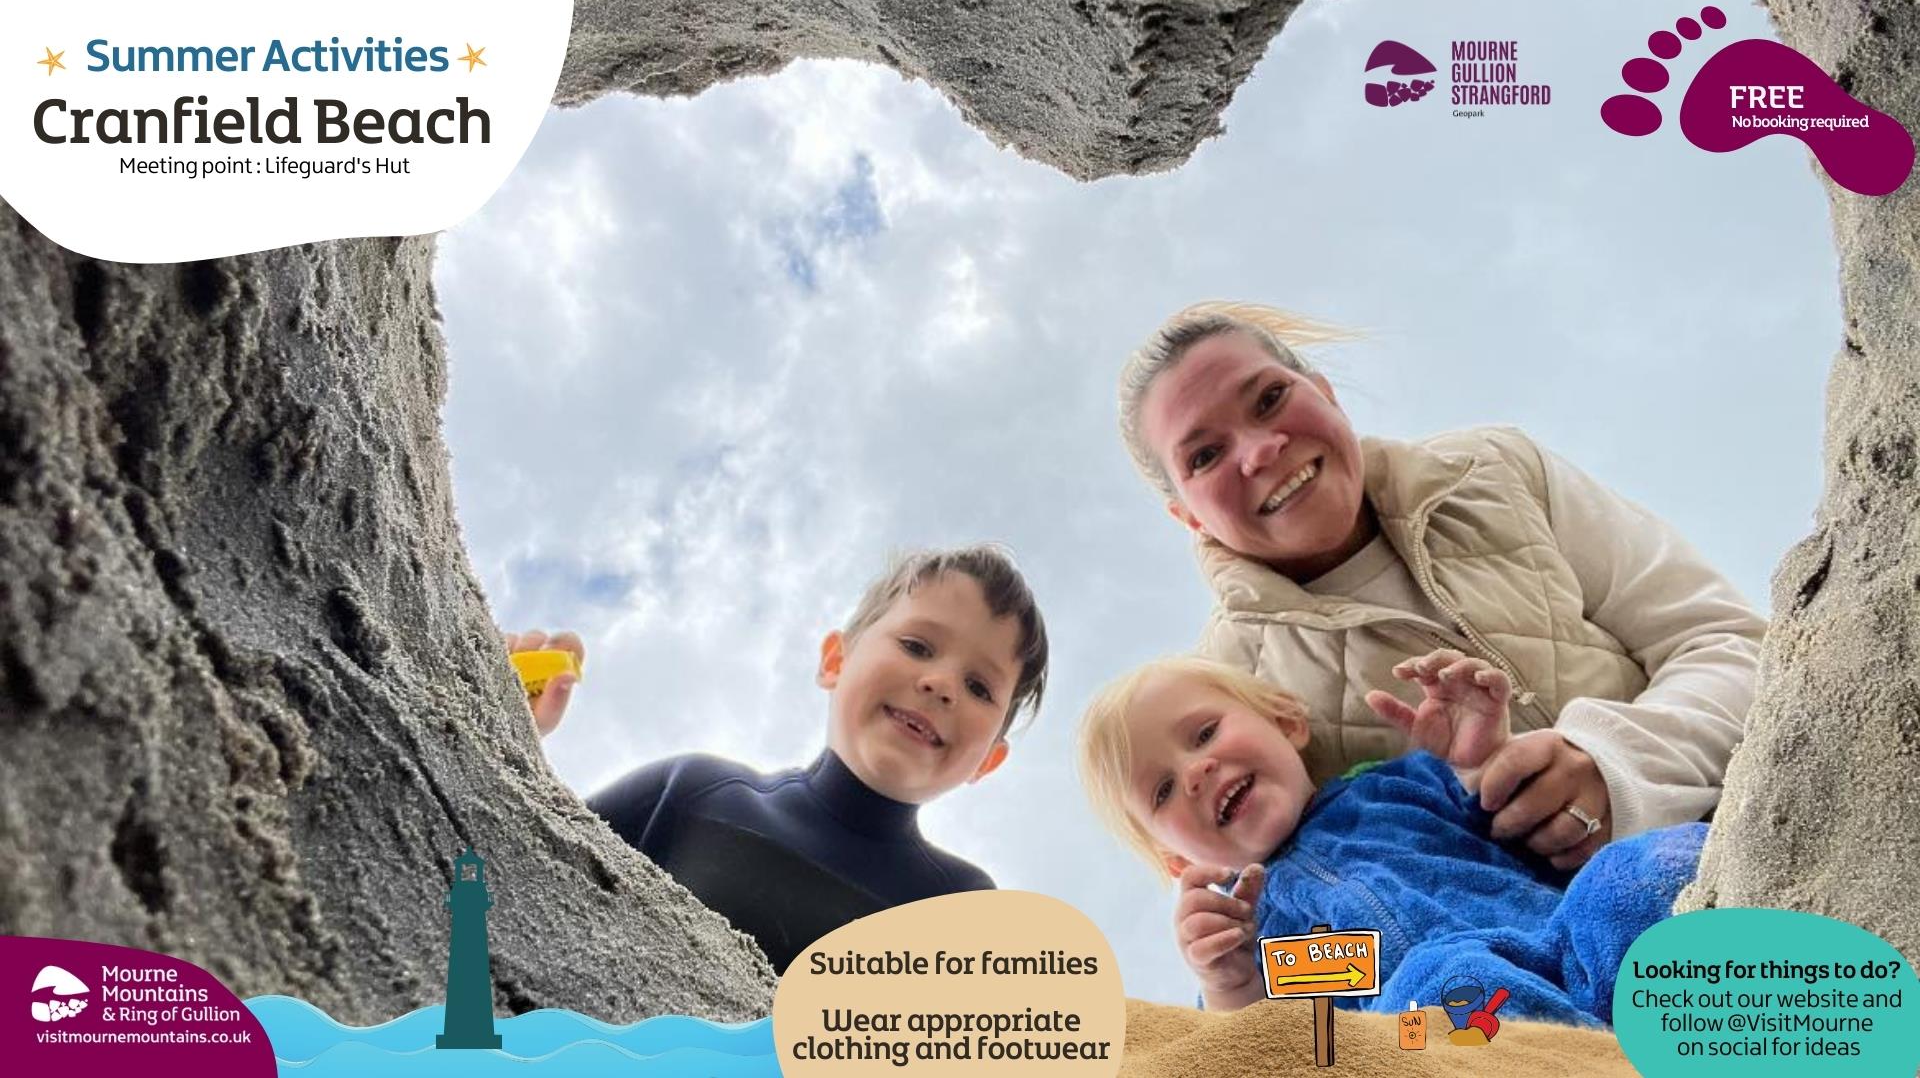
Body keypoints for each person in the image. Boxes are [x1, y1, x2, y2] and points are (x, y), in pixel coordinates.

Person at [1117, 301, 1766, 870]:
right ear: (1187, 516)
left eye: (1269, 398)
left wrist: (1612, 763)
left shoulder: (1495, 470)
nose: (1260, 451)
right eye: (1205, 456)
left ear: (1324, 392)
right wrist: (1241, 958)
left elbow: (1734, 644)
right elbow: (1306, 914)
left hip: (1764, 829)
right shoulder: (1226, 693)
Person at [1076, 653, 1704, 1025]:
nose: (1196, 772)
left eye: (1204, 733)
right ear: (1177, 860)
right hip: (1445, 1028)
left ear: (1286, 721)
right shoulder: (1253, 942)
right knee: (1442, 979)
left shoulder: (1397, 786)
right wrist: (1228, 986)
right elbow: (1263, 1048)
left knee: (1625, 872)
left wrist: (1479, 760)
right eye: (1162, 790)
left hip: (1560, 940)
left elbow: (1515, 818)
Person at [514, 544, 1048, 971]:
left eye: (979, 687)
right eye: (917, 646)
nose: (942, 684)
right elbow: (509, 888)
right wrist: (506, 733)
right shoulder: (691, 791)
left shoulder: (963, 909)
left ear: (988, 761)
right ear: (836, 661)